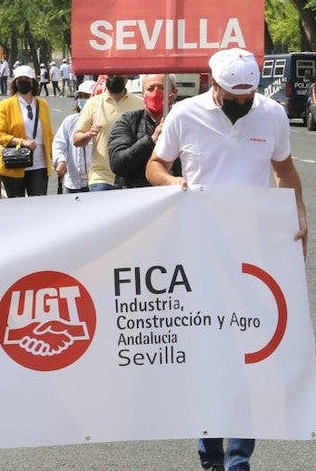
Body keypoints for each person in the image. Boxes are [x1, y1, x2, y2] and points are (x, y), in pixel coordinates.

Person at [147, 48, 307, 471]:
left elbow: (285, 170)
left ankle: (238, 459)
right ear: (212, 84)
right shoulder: (184, 114)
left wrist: (299, 213)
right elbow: (154, 165)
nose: (242, 105)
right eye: (233, 97)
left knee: (250, 355)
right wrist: (172, 180)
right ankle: (210, 455)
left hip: (253, 254)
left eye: (248, 97)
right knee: (208, 354)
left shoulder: (270, 113)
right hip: (199, 249)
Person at [73, 73, 144, 191]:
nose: (115, 77)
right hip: (101, 178)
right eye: (111, 74)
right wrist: (88, 134)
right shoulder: (93, 103)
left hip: (130, 178)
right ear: (105, 76)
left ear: (127, 76)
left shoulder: (140, 104)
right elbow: (76, 140)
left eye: (119, 74)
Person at [0, 65, 55, 197]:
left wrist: (56, 158)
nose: (23, 82)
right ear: (15, 83)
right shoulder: (6, 105)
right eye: (19, 79)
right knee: (17, 206)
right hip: (15, 161)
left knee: (38, 205)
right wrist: (22, 142)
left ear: (33, 82)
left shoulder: (43, 105)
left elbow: (49, 134)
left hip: (39, 164)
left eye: (26, 78)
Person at [109, 74, 179, 188]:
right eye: (150, 89)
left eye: (162, 88)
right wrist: (151, 140)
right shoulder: (128, 121)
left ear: (174, 93)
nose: (155, 93)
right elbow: (118, 164)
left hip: (176, 196)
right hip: (137, 197)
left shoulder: (184, 122)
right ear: (143, 94)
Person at [52, 80, 96, 194]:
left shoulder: (101, 121)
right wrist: (61, 161)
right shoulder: (70, 121)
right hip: (73, 183)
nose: (83, 99)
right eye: (80, 96)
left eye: (87, 96)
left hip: (96, 182)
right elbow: (59, 144)